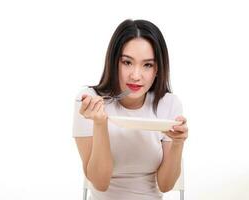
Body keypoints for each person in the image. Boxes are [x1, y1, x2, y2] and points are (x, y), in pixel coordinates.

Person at [72, 19, 188, 200]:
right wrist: (100, 123)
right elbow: (100, 183)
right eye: (127, 62)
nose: (135, 75)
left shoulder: (168, 104)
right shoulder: (90, 102)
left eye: (147, 65)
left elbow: (165, 185)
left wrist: (178, 143)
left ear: (157, 69)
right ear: (114, 62)